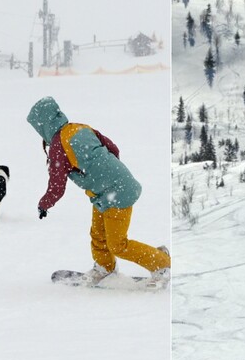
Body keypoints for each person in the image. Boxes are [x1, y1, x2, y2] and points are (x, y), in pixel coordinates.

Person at [27, 96, 171, 287]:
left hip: (116, 194)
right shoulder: (79, 128)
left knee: (117, 244)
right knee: (98, 234)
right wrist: (107, 172)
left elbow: (57, 186)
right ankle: (105, 267)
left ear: (42, 126)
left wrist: (44, 204)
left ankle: (162, 264)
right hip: (107, 191)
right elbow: (113, 148)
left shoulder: (57, 147)